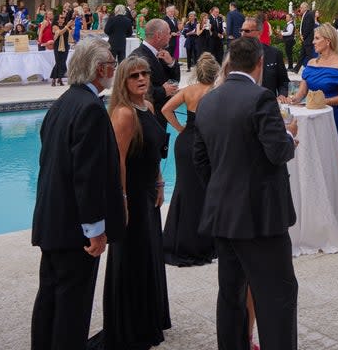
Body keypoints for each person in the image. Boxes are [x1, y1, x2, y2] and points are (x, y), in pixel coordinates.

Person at [193, 37, 299, 350]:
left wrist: (220, 188)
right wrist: (289, 136)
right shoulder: (261, 98)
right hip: (260, 215)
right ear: (259, 64)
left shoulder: (209, 100)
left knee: (231, 292)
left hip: (222, 213)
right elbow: (277, 152)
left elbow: (200, 158)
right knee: (277, 293)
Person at [31, 39, 125, 350]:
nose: (114, 69)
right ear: (100, 69)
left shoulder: (62, 103)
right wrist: (95, 231)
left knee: (50, 297)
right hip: (74, 229)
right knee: (73, 305)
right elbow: (88, 175)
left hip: (52, 221)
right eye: (111, 64)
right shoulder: (90, 109)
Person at [93, 56, 170, 350]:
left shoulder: (148, 107)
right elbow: (118, 162)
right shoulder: (124, 114)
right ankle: (130, 325)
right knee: (132, 257)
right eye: (134, 75)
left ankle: (148, 318)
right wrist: (121, 200)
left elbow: (154, 152)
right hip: (132, 196)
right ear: (123, 81)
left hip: (148, 191)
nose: (141, 79)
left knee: (149, 254)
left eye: (144, 74)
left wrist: (160, 181)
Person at [287, 23, 338, 222]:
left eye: (317, 39)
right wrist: (289, 100)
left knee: (333, 161)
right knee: (315, 161)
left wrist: (320, 102)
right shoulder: (310, 63)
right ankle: (318, 209)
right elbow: (301, 94)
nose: (313, 42)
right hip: (313, 119)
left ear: (328, 40)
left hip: (335, 118)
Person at [162, 53, 220, 267]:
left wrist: (180, 128)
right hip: (205, 144)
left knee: (184, 191)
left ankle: (179, 240)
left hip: (185, 143)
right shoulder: (215, 93)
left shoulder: (188, 91)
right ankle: (203, 243)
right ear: (216, 73)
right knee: (204, 192)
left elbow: (165, 109)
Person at [127, 18, 180, 130]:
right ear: (158, 36)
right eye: (168, 33)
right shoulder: (138, 57)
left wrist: (171, 63)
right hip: (148, 118)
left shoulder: (160, 53)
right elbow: (137, 91)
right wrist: (164, 91)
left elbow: (175, 79)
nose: (170, 36)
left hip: (160, 115)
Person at [244, 18, 289, 98]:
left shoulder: (274, 54)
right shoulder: (233, 54)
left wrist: (282, 94)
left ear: (259, 32)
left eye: (247, 31)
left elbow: (283, 81)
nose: (243, 34)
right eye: (241, 30)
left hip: (267, 104)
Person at [49, 13, 71, 87]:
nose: (63, 18)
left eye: (63, 17)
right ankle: (54, 79)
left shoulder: (65, 26)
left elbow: (69, 35)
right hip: (58, 46)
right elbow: (60, 33)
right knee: (58, 62)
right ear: (57, 19)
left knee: (63, 62)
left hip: (66, 45)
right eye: (61, 17)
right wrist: (67, 25)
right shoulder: (55, 26)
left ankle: (60, 79)